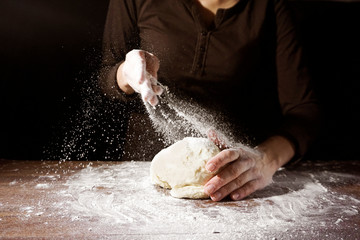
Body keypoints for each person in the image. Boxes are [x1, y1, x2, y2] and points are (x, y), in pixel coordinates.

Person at [99, 0, 321, 201]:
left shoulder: (272, 7)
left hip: (234, 183)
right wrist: (125, 74)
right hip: (139, 179)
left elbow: (304, 112)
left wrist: (264, 160)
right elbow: (106, 77)